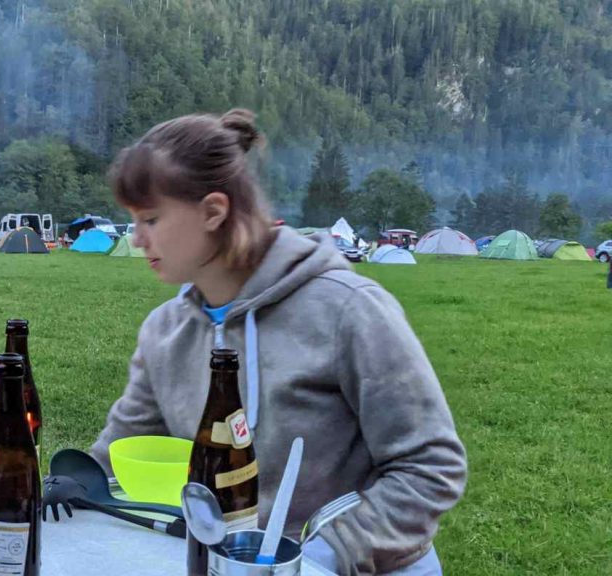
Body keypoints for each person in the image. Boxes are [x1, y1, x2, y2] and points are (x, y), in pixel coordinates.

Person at [89, 109, 466, 575]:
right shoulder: (164, 331)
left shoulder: (348, 310)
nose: (136, 238)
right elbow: (116, 453)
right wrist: (69, 484)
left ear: (213, 211)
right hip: (227, 565)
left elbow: (430, 466)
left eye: (150, 219)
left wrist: (321, 557)